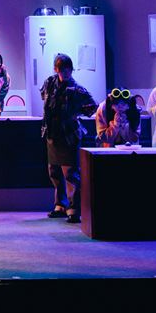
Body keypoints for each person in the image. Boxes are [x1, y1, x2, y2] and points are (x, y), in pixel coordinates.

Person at [40, 53, 96, 223]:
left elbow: (92, 106)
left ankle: (74, 208)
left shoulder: (76, 89)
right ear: (56, 69)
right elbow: (44, 97)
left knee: (70, 173)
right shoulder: (49, 83)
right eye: (62, 70)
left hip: (69, 135)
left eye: (68, 70)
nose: (65, 73)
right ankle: (60, 204)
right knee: (54, 171)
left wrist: (75, 112)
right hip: (52, 132)